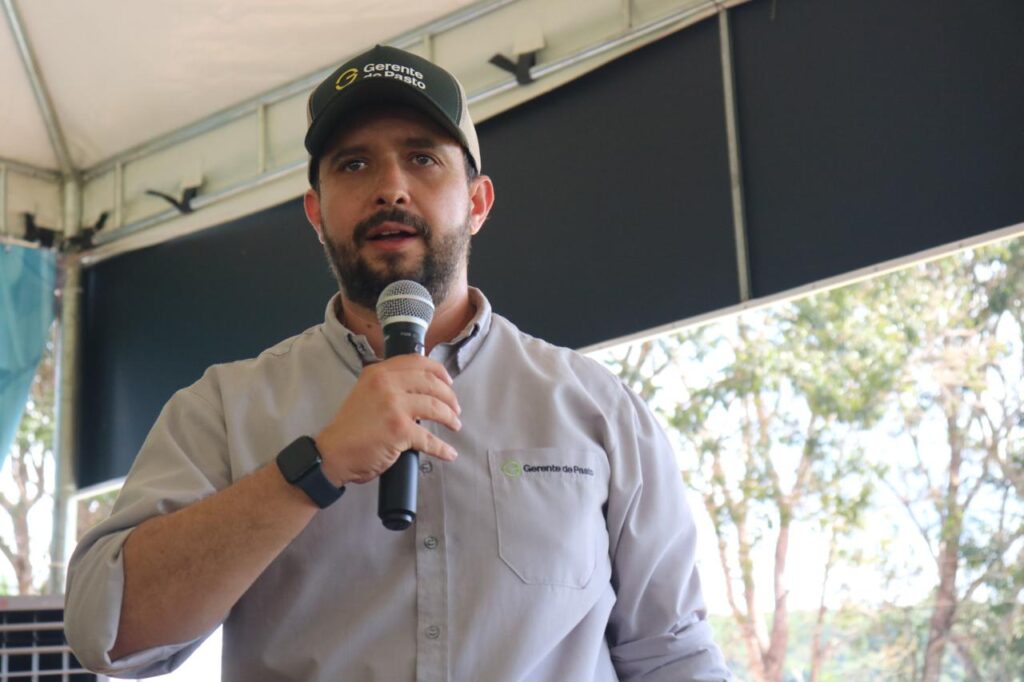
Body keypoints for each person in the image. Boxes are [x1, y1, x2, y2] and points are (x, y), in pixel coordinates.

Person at [65, 44, 731, 681]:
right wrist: (313, 467)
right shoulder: (223, 408)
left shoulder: (596, 408)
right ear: (315, 213)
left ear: (477, 203)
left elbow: (671, 655)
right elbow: (105, 631)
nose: (391, 188)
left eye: (423, 158)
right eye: (353, 164)